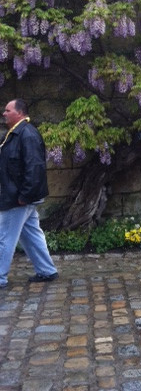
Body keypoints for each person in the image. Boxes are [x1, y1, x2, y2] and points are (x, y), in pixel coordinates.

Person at [0, 98, 58, 288]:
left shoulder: (27, 135)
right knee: (31, 234)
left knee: (4, 237)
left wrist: (25, 195)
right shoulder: (14, 134)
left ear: (19, 112)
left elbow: (35, 168)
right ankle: (46, 270)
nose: (4, 113)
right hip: (19, 196)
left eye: (8, 110)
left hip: (19, 198)